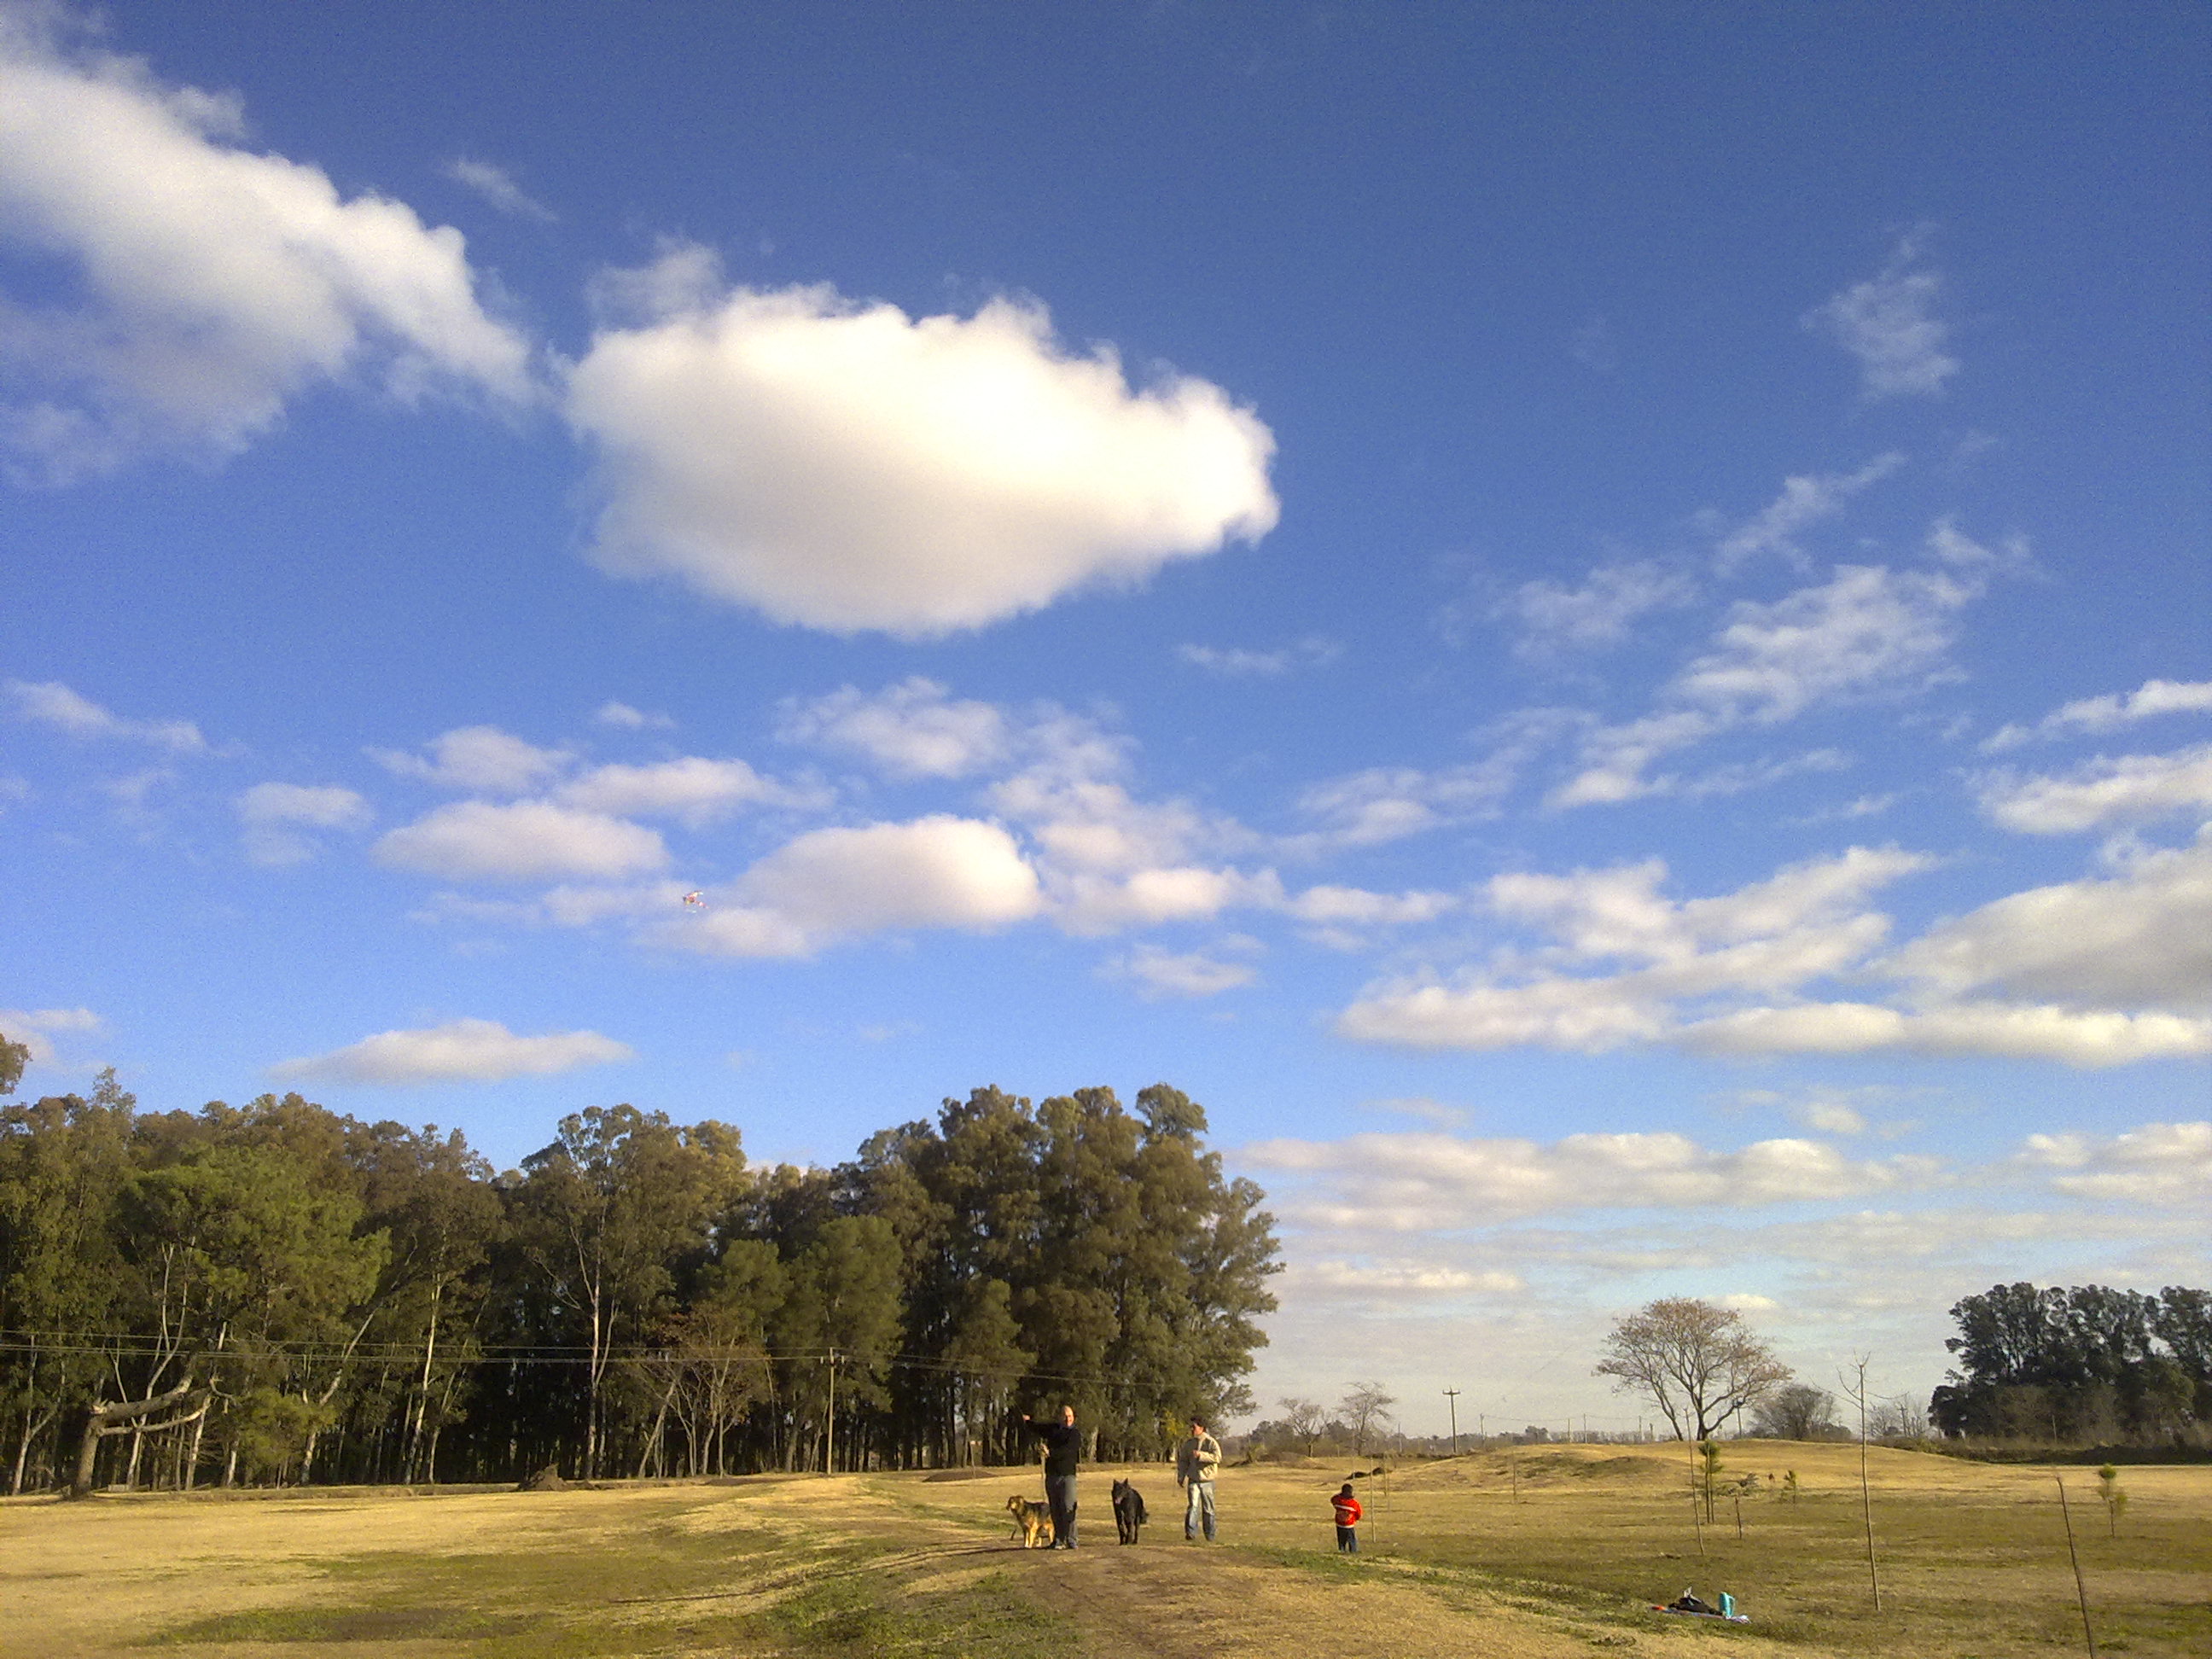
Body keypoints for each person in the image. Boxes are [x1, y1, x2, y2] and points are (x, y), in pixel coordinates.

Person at [1020, 1406, 1083, 1548]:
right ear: (1060, 1417)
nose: (1068, 1419)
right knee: (1055, 1509)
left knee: (1068, 1508)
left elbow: (1068, 1451)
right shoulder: (1053, 1429)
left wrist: (1050, 1453)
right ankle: (1058, 1540)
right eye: (1065, 1416)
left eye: (1070, 1416)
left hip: (1067, 1476)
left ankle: (1072, 1540)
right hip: (1052, 1476)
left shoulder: (1075, 1434)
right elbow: (1039, 1428)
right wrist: (1028, 1422)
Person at [1175, 1415, 1221, 1542]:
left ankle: (1210, 1535)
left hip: (1207, 1480)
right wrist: (1181, 1476)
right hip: (1193, 1479)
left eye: (1194, 1427)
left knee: (1208, 1509)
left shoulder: (1211, 1442)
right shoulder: (1189, 1444)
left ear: (1202, 1428)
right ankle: (1190, 1533)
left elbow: (1217, 1458)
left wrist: (1202, 1455)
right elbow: (1183, 1461)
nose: (1192, 1430)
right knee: (1193, 1506)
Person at [1331, 1482, 1362, 1553]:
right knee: (1352, 1540)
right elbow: (1359, 1514)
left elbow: (1332, 1499)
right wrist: (1354, 1519)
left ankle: (1341, 1550)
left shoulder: (1338, 1501)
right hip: (1349, 1525)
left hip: (1339, 1524)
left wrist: (1340, 1495)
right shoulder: (1354, 1504)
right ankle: (1353, 1551)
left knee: (1341, 1540)